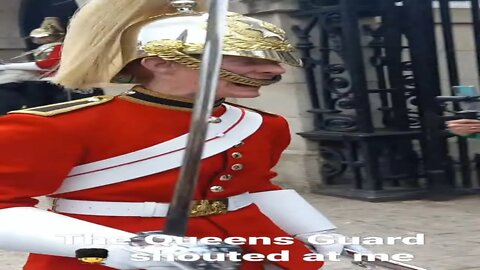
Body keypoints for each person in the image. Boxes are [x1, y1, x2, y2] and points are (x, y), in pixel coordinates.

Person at [0, 0, 362, 269]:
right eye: (245, 59)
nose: (273, 70)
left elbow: (252, 189)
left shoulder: (263, 125)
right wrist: (130, 248)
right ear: (160, 64)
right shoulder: (55, 126)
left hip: (248, 249)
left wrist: (322, 234)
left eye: (273, 58)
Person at [0, 17, 64, 78]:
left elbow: (45, 65)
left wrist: (7, 66)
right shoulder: (44, 47)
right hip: (41, 74)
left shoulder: (59, 47)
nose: (38, 39)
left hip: (52, 76)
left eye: (44, 37)